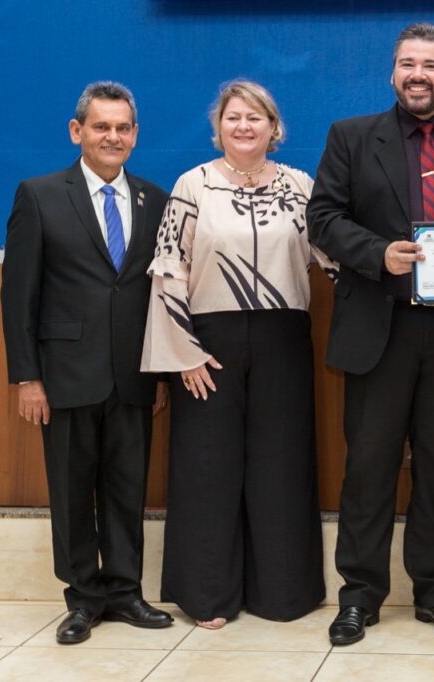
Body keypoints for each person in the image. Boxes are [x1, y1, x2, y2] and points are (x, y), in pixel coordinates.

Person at [307, 22, 434, 645]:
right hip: (379, 326)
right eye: (406, 63)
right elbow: (322, 217)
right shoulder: (352, 136)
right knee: (369, 467)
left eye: (430, 64)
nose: (417, 74)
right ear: (392, 72)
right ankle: (360, 596)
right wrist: (376, 253)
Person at [141, 79, 331, 628]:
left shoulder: (300, 186)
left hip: (284, 341)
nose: (244, 126)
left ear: (275, 128)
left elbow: (333, 255)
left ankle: (283, 594)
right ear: (217, 127)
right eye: (233, 117)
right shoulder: (191, 185)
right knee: (208, 471)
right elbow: (168, 269)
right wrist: (184, 354)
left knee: (283, 467)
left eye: (255, 117)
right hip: (207, 347)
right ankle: (208, 597)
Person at [0, 81, 173, 644]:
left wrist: (164, 369)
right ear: (78, 132)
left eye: (123, 128)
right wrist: (28, 377)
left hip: (134, 375)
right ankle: (82, 598)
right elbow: (18, 294)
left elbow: (162, 293)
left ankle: (125, 592)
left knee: (128, 487)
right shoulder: (40, 194)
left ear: (136, 135)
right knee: (73, 491)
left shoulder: (155, 199)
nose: (113, 137)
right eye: (102, 127)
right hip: (65, 377)